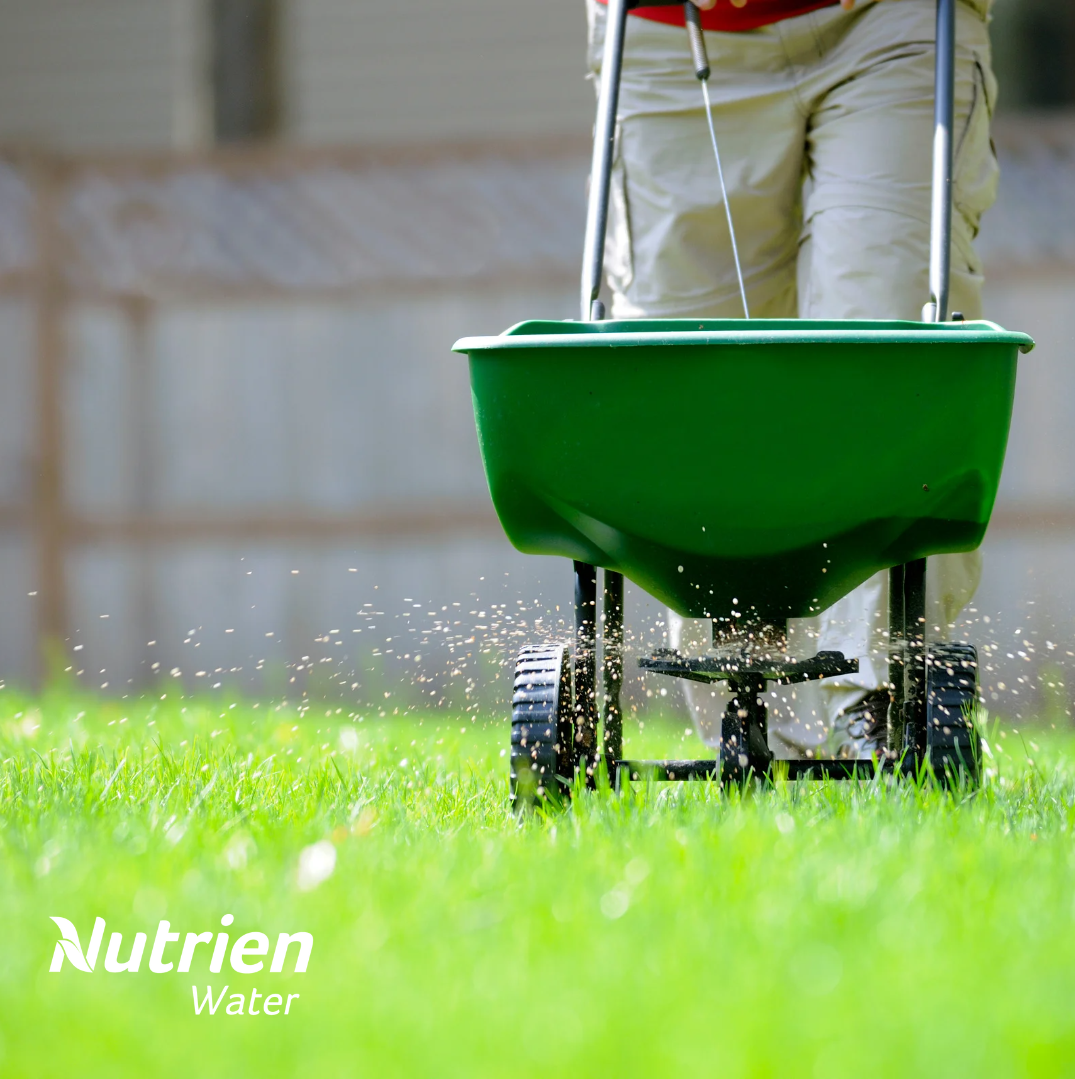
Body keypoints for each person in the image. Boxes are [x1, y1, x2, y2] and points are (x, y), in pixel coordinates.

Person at [587, 0, 996, 757]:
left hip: (888, 24)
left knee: (884, 331)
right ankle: (747, 716)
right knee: (694, 382)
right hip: (673, 35)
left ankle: (877, 704)